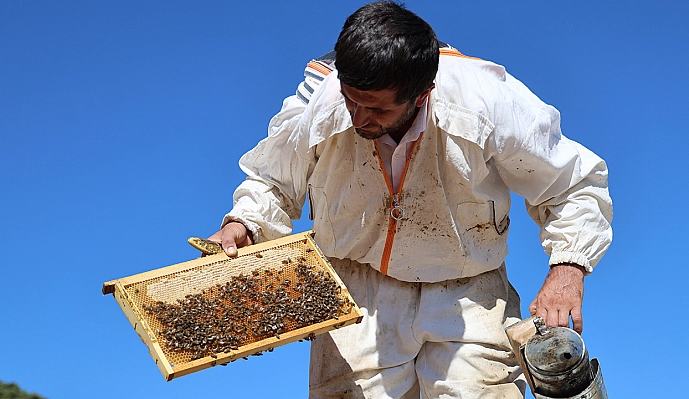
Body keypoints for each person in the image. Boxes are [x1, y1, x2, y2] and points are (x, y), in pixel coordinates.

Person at [208, 2, 613, 398]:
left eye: (376, 108)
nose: (358, 118)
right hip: (355, 295)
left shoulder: (485, 100)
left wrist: (567, 270)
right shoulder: (320, 101)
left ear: (422, 94)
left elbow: (572, 183)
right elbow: (273, 178)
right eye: (352, 100)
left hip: (467, 292)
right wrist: (244, 221)